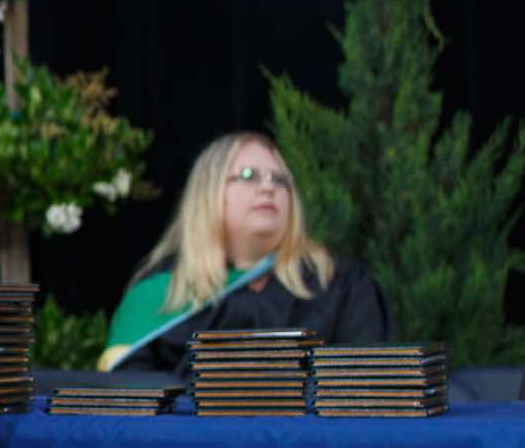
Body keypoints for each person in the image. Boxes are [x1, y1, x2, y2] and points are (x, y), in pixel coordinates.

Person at [101, 130, 391, 371]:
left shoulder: (340, 283)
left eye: (279, 180)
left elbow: (363, 390)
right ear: (208, 192)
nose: (268, 188)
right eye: (249, 175)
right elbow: (132, 401)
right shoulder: (158, 292)